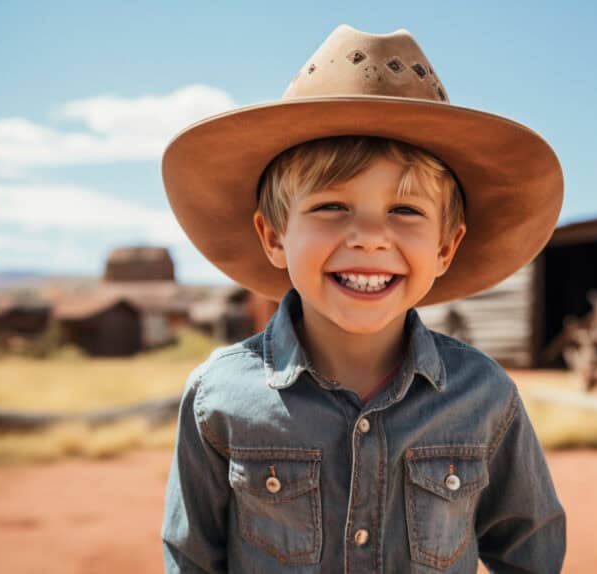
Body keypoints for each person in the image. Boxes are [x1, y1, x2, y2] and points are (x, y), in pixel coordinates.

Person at [161, 24, 566, 573]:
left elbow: (530, 552)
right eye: (331, 207)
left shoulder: (485, 397)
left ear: (447, 247)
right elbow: (191, 560)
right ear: (275, 236)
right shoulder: (219, 398)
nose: (370, 237)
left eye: (406, 211)